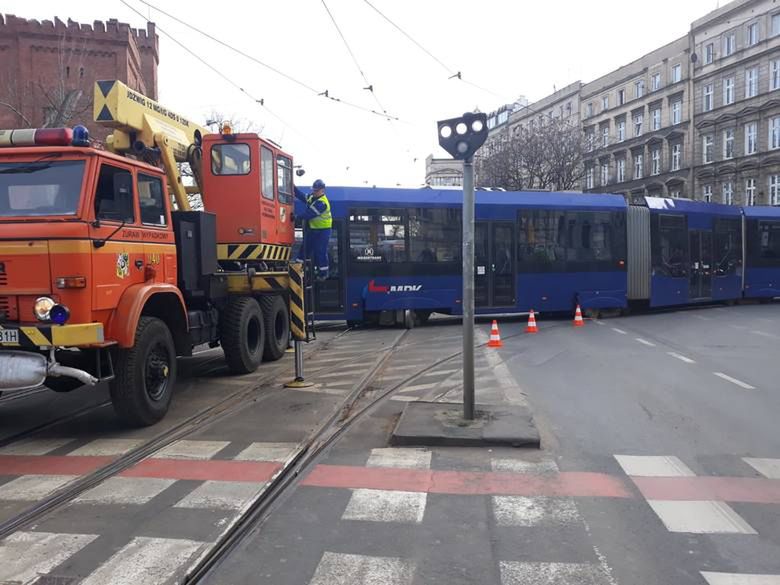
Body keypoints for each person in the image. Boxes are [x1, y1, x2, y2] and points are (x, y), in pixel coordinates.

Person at [294, 179, 332, 280]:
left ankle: (323, 273)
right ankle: (298, 266)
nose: (314, 192)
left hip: (323, 231)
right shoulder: (313, 197)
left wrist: (297, 217)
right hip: (314, 229)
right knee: (305, 247)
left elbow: (309, 214)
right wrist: (293, 188)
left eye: (316, 190)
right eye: (314, 190)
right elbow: (302, 197)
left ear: (322, 190)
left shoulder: (322, 203)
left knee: (320, 251)